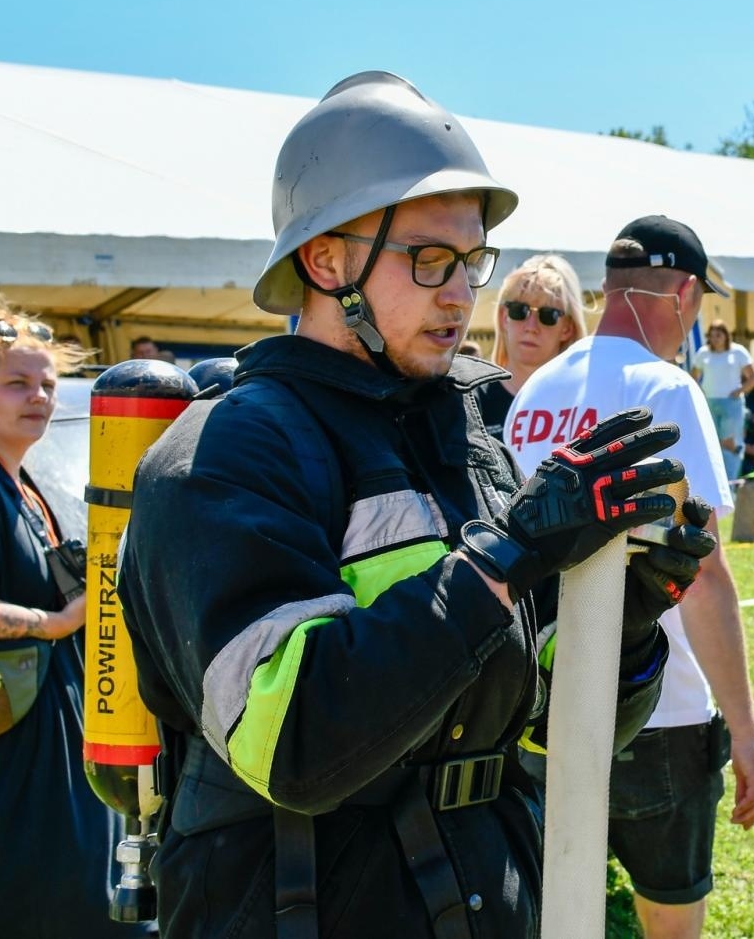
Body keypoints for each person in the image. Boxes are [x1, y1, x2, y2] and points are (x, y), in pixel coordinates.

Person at [117, 72, 715, 938]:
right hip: (309, 905)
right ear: (326, 260)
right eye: (428, 259)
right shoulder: (227, 451)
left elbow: (557, 735)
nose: (461, 291)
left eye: (473, 260)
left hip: (482, 887)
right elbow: (296, 745)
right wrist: (503, 559)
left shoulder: (470, 428)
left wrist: (620, 624)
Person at [507, 215, 754, 939]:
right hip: (659, 706)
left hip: (544, 701)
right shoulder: (667, 388)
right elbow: (705, 575)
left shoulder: (530, 398)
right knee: (669, 924)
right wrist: (747, 738)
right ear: (685, 294)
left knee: (559, 910)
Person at [0, 294, 143, 938]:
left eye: (46, 383)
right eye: (16, 383)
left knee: (73, 902)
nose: (38, 396)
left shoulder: (11, 480)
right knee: (14, 911)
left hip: (31, 728)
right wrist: (57, 623)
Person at [478, 253, 588, 438]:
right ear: (504, 317)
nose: (531, 327)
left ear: (567, 328)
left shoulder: (584, 405)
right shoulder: (471, 402)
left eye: (548, 315)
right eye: (519, 311)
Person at [690, 319, 754, 481]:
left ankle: (730, 482)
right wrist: (701, 394)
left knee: (730, 443)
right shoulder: (703, 353)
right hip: (710, 403)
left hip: (732, 403)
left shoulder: (738, 352)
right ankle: (715, 482)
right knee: (712, 443)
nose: (715, 338)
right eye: (712, 335)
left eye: (718, 335)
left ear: (726, 335)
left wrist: (739, 391)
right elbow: (693, 378)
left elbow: (753, 378)